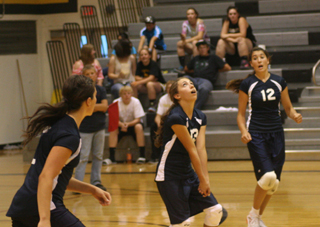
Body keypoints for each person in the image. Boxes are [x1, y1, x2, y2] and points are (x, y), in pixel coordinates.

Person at [6, 75, 111, 227]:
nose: (96, 99)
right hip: (40, 206)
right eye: (95, 96)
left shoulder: (60, 124)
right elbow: (46, 177)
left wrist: (92, 190)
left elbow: (57, 177)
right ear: (88, 101)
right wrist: (44, 219)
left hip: (24, 205)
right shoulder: (69, 135)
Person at [226, 47, 302, 227]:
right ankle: (253, 215)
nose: (259, 60)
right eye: (255, 58)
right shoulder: (249, 84)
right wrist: (244, 131)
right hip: (256, 134)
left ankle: (257, 217)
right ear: (251, 63)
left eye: (262, 57)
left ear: (268, 60)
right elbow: (241, 114)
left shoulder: (279, 81)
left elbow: (288, 108)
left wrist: (295, 114)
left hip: (276, 134)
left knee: (274, 183)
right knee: (267, 177)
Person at [154, 77, 227, 227]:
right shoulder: (176, 117)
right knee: (182, 224)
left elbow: (201, 149)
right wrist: (202, 179)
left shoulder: (200, 117)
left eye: (192, 84)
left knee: (215, 211)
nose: (191, 86)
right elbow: (192, 149)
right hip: (169, 176)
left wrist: (205, 179)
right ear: (177, 95)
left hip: (187, 173)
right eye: (185, 85)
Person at [73, 65, 108, 194]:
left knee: (98, 156)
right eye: (87, 73)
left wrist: (91, 107)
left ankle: (96, 181)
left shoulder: (100, 90)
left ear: (96, 75)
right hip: (85, 128)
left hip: (99, 127)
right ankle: (78, 183)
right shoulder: (80, 92)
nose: (90, 75)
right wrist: (95, 107)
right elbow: (83, 108)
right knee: (83, 157)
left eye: (92, 73)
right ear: (83, 76)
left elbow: (104, 107)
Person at [104, 86, 146, 165]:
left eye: (128, 93)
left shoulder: (136, 101)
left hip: (133, 125)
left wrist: (127, 124)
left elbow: (138, 119)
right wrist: (122, 125)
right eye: (124, 94)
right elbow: (114, 119)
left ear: (132, 94)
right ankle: (111, 158)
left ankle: (142, 156)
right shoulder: (115, 102)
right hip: (120, 125)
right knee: (113, 129)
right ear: (120, 95)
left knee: (139, 127)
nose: (126, 95)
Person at [184, 40, 231, 109]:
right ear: (197, 49)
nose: (202, 49)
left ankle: (194, 109)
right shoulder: (196, 58)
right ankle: (182, 106)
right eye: (200, 48)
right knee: (183, 80)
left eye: (204, 47)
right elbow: (186, 68)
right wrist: (193, 71)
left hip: (207, 80)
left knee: (204, 89)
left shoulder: (213, 58)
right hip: (194, 79)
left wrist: (216, 70)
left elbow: (227, 67)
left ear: (208, 48)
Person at [132, 47, 166, 112]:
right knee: (134, 85)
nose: (143, 56)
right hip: (146, 85)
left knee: (149, 84)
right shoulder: (139, 64)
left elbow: (152, 77)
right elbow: (136, 77)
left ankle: (153, 104)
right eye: (141, 55)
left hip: (160, 85)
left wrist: (140, 81)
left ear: (149, 56)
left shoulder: (153, 64)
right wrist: (145, 80)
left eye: (145, 54)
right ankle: (135, 105)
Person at [149, 80, 174, 163]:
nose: (169, 90)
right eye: (168, 88)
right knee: (153, 127)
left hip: (176, 121)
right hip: (165, 122)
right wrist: (160, 126)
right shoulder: (163, 99)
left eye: (171, 88)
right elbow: (158, 116)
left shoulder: (178, 97)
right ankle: (155, 156)